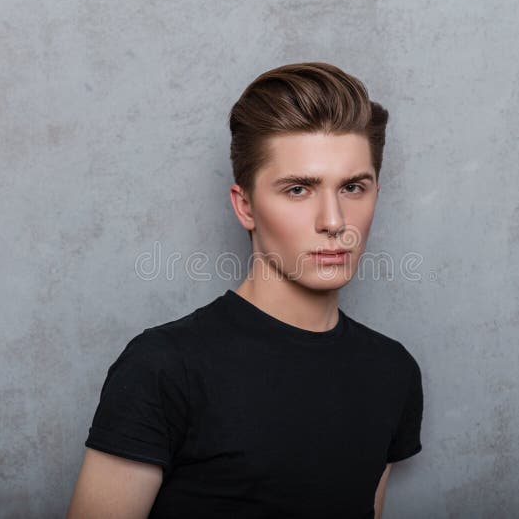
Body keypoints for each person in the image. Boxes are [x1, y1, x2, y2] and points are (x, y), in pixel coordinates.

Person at [66, 62, 424, 519]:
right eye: (298, 190)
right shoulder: (164, 367)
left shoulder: (392, 371)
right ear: (245, 205)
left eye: (353, 186)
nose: (334, 221)